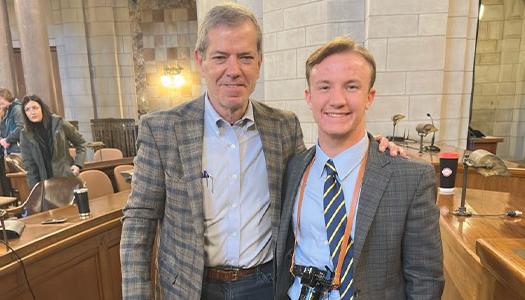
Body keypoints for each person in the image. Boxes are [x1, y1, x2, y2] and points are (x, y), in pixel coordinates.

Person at [120, 4, 401, 300]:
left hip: (265, 285)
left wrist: (373, 150)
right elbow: (139, 221)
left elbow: (318, 177)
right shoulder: (162, 130)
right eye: (220, 57)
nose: (233, 70)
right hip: (192, 287)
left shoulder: (282, 126)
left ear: (259, 63)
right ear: (200, 60)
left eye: (245, 57)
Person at [275, 37, 444, 299]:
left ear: (369, 96)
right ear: (309, 97)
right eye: (324, 87)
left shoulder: (410, 178)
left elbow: (425, 279)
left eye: (351, 87)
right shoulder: (294, 167)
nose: (337, 100)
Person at [19, 95, 86, 190]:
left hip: (66, 178)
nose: (32, 112)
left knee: (72, 205)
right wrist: (35, 190)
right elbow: (30, 165)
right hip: (45, 184)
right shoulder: (25, 134)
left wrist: (78, 164)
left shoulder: (58, 123)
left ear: (42, 108)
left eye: (35, 108)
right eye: (27, 110)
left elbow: (81, 143)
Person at [0, 88, 24, 195]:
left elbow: (21, 128)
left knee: (20, 180)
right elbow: (4, 129)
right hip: (10, 150)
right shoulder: (7, 110)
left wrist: (8, 139)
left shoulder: (16, 109)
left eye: (1, 102)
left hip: (18, 150)